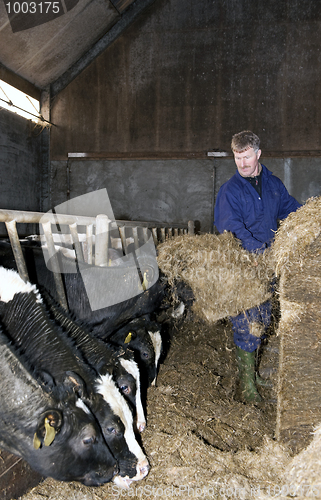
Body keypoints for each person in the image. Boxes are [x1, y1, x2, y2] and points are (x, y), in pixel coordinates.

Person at [214, 130, 301, 403]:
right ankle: (247, 385)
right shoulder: (230, 190)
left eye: (246, 157)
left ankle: (253, 374)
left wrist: (308, 219)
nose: (241, 163)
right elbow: (230, 226)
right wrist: (257, 250)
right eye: (237, 157)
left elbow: (290, 210)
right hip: (244, 265)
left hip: (268, 264)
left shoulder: (274, 184)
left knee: (262, 318)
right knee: (246, 321)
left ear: (258, 154)